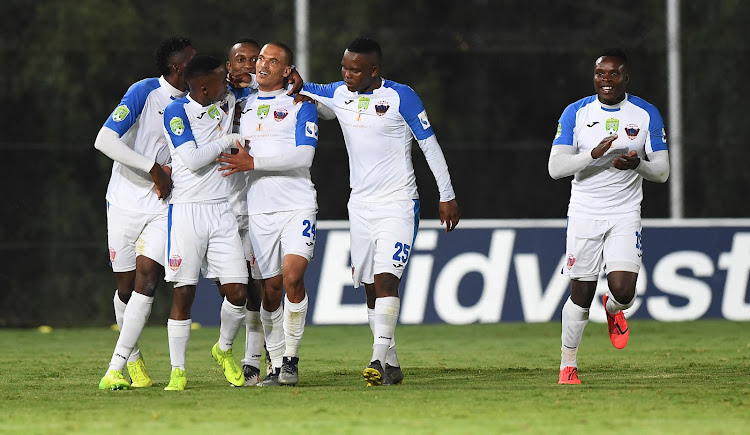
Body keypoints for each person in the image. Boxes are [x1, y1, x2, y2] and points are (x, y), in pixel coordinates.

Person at [299, 37, 460, 386]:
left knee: (388, 279)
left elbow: (430, 147)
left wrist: (446, 195)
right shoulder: (339, 93)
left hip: (399, 203)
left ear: (374, 70)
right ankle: (393, 365)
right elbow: (300, 86)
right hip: (359, 207)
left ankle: (375, 357)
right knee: (371, 287)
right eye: (344, 67)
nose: (347, 75)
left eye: (355, 70)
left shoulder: (402, 97)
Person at [548, 48, 670, 385]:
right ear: (594, 76)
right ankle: (567, 366)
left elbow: (662, 172)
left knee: (624, 290)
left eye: (614, 74)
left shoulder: (646, 114)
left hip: (625, 212)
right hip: (584, 212)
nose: (606, 80)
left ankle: (614, 309)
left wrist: (638, 165)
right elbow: (555, 168)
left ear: (625, 78)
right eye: (601, 73)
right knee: (580, 295)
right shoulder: (576, 112)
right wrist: (592, 154)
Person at [95, 36, 196, 390]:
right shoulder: (144, 92)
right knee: (125, 288)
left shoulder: (200, 100)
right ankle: (134, 358)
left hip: (162, 205)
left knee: (148, 280)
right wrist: (152, 168)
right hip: (123, 201)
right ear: (177, 68)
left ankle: (116, 366)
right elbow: (104, 141)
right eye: (192, 60)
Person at [218, 42, 319, 387]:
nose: (263, 64)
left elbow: (304, 157)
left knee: (292, 277)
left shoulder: (300, 103)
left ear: (287, 71)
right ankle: (274, 362)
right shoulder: (241, 106)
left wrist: (253, 162)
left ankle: (290, 358)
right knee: (270, 290)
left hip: (297, 204)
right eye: (261, 58)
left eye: (273, 61)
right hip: (258, 209)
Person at [161, 54, 250, 391]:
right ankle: (178, 371)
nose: (225, 83)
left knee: (238, 293)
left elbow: (248, 89)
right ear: (202, 87)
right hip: (186, 212)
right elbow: (194, 159)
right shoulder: (176, 111)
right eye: (219, 80)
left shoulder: (221, 103)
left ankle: (223, 349)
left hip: (221, 211)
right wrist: (226, 141)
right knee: (184, 293)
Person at [222, 37, 267, 386]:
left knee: (257, 286)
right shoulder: (211, 96)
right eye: (241, 59)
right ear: (228, 65)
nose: (248, 65)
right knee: (230, 290)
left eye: (255, 59)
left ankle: (254, 357)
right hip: (216, 207)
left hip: (255, 204)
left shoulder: (264, 98)